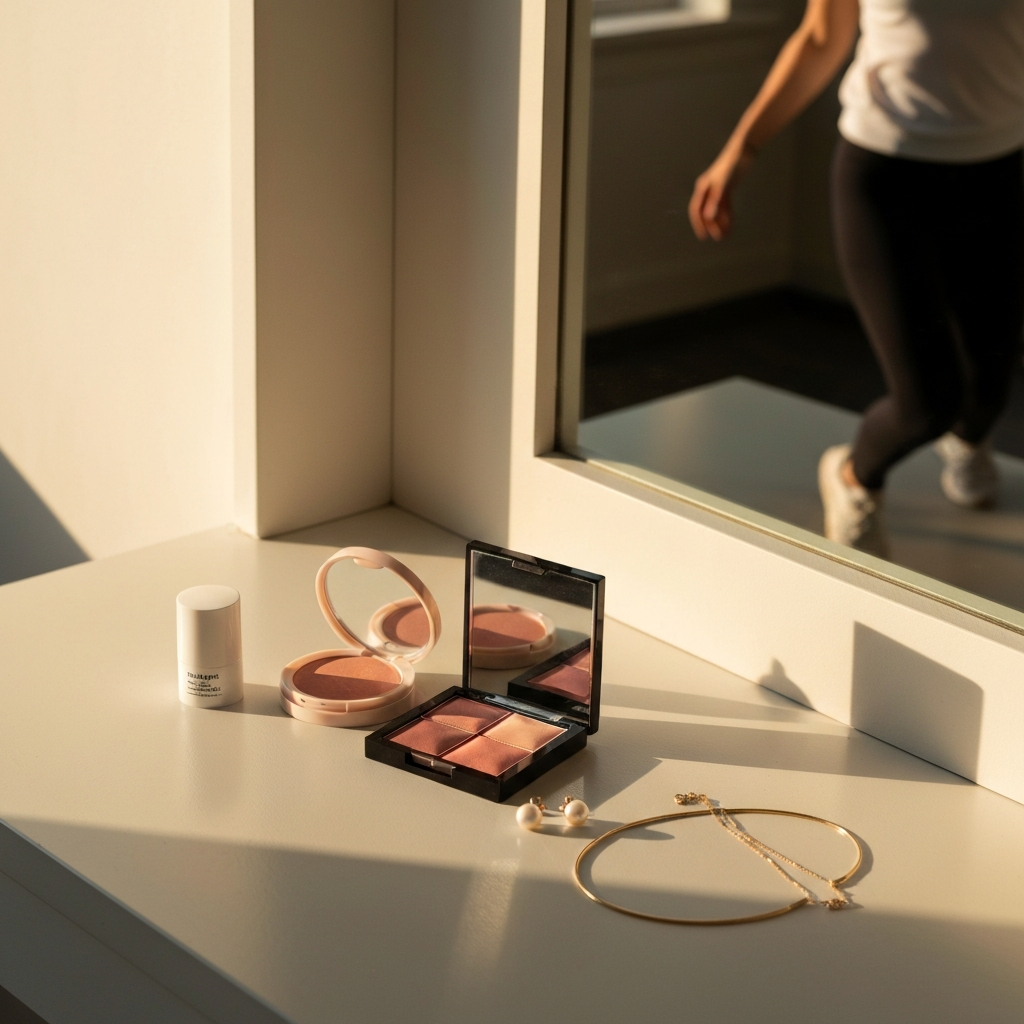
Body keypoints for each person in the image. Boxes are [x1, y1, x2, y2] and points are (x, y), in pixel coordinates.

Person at [689, 0, 1024, 558]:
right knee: (928, 402)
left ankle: (969, 439)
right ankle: (853, 477)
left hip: (996, 173)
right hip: (886, 174)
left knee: (990, 381)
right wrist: (741, 149)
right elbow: (822, 39)